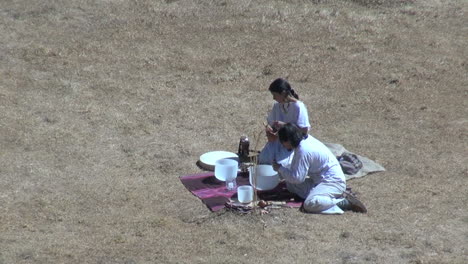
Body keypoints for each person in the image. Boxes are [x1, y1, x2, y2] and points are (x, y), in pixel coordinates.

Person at [272, 123, 367, 214]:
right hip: (319, 179)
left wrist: (280, 168)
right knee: (290, 184)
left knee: (309, 204)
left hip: (332, 182)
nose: (283, 145)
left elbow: (297, 178)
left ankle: (345, 202)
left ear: (288, 140)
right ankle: (322, 197)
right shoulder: (304, 141)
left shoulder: (303, 151)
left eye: (283, 142)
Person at [258, 78, 311, 167]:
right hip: (278, 141)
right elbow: (271, 124)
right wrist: (270, 131)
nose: (273, 98)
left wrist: (285, 126)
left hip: (292, 144)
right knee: (263, 159)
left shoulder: (298, 107)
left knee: (282, 164)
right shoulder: (277, 106)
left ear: (282, 93)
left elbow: (304, 130)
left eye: (275, 95)